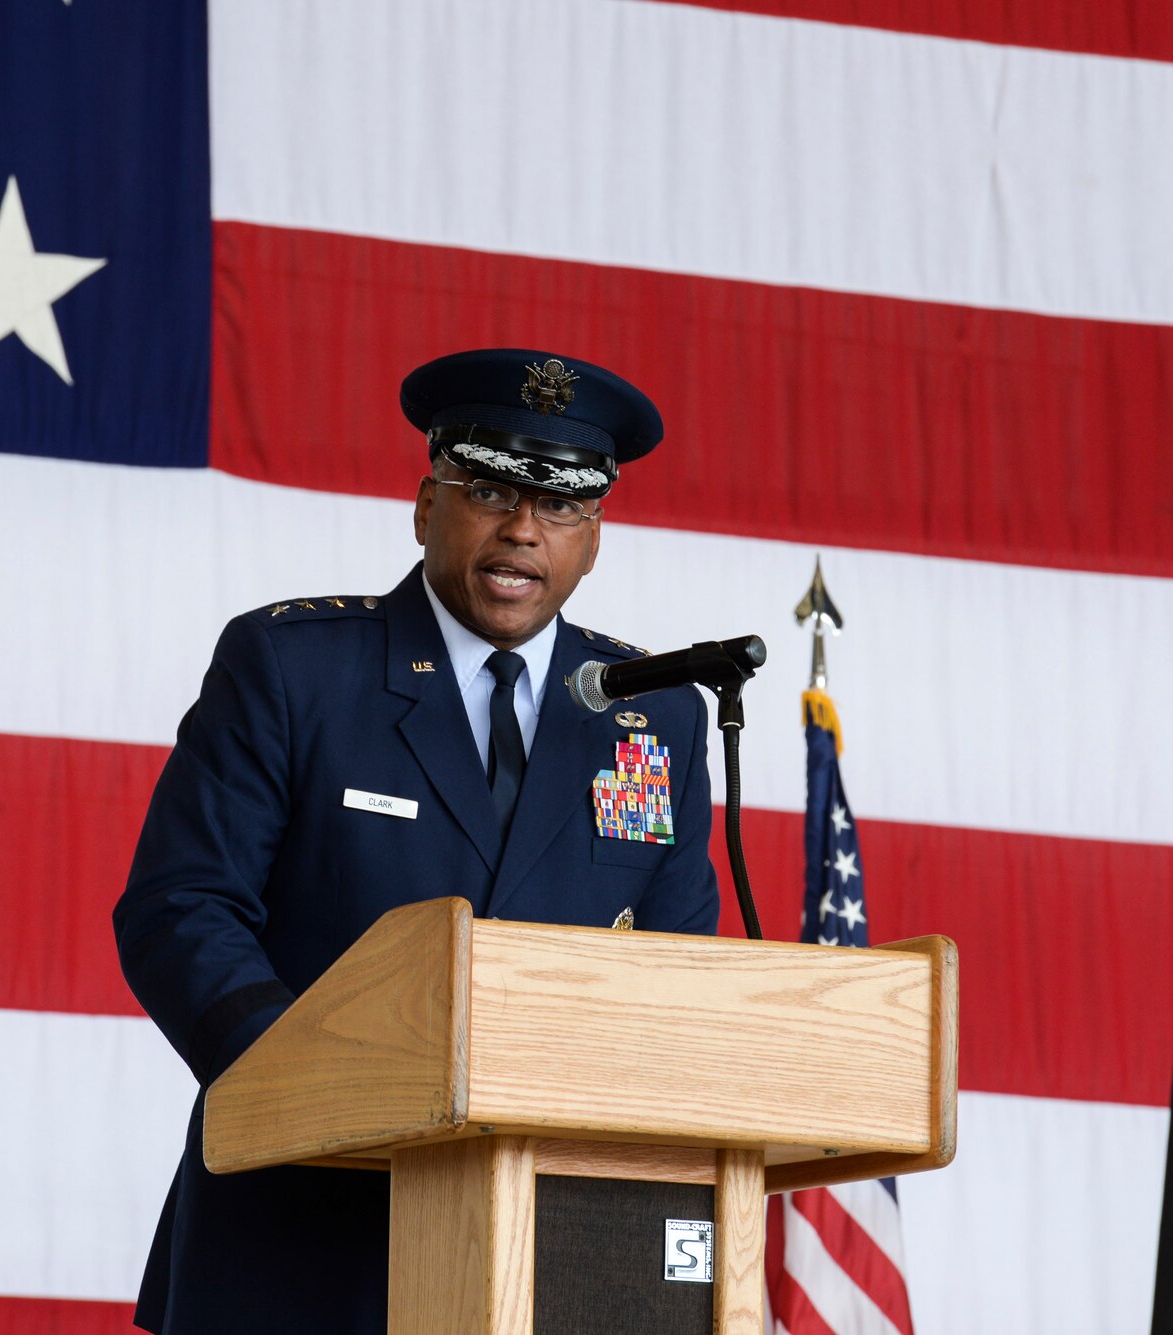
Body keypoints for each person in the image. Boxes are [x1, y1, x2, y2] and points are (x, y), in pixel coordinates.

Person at [114, 348, 721, 1333]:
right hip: (305, 1224)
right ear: (424, 504)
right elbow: (181, 909)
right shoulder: (293, 669)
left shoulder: (655, 715)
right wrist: (320, 1092)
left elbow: (671, 961)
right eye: (488, 491)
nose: (522, 530)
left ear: (593, 537)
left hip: (563, 1242)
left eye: (560, 507)